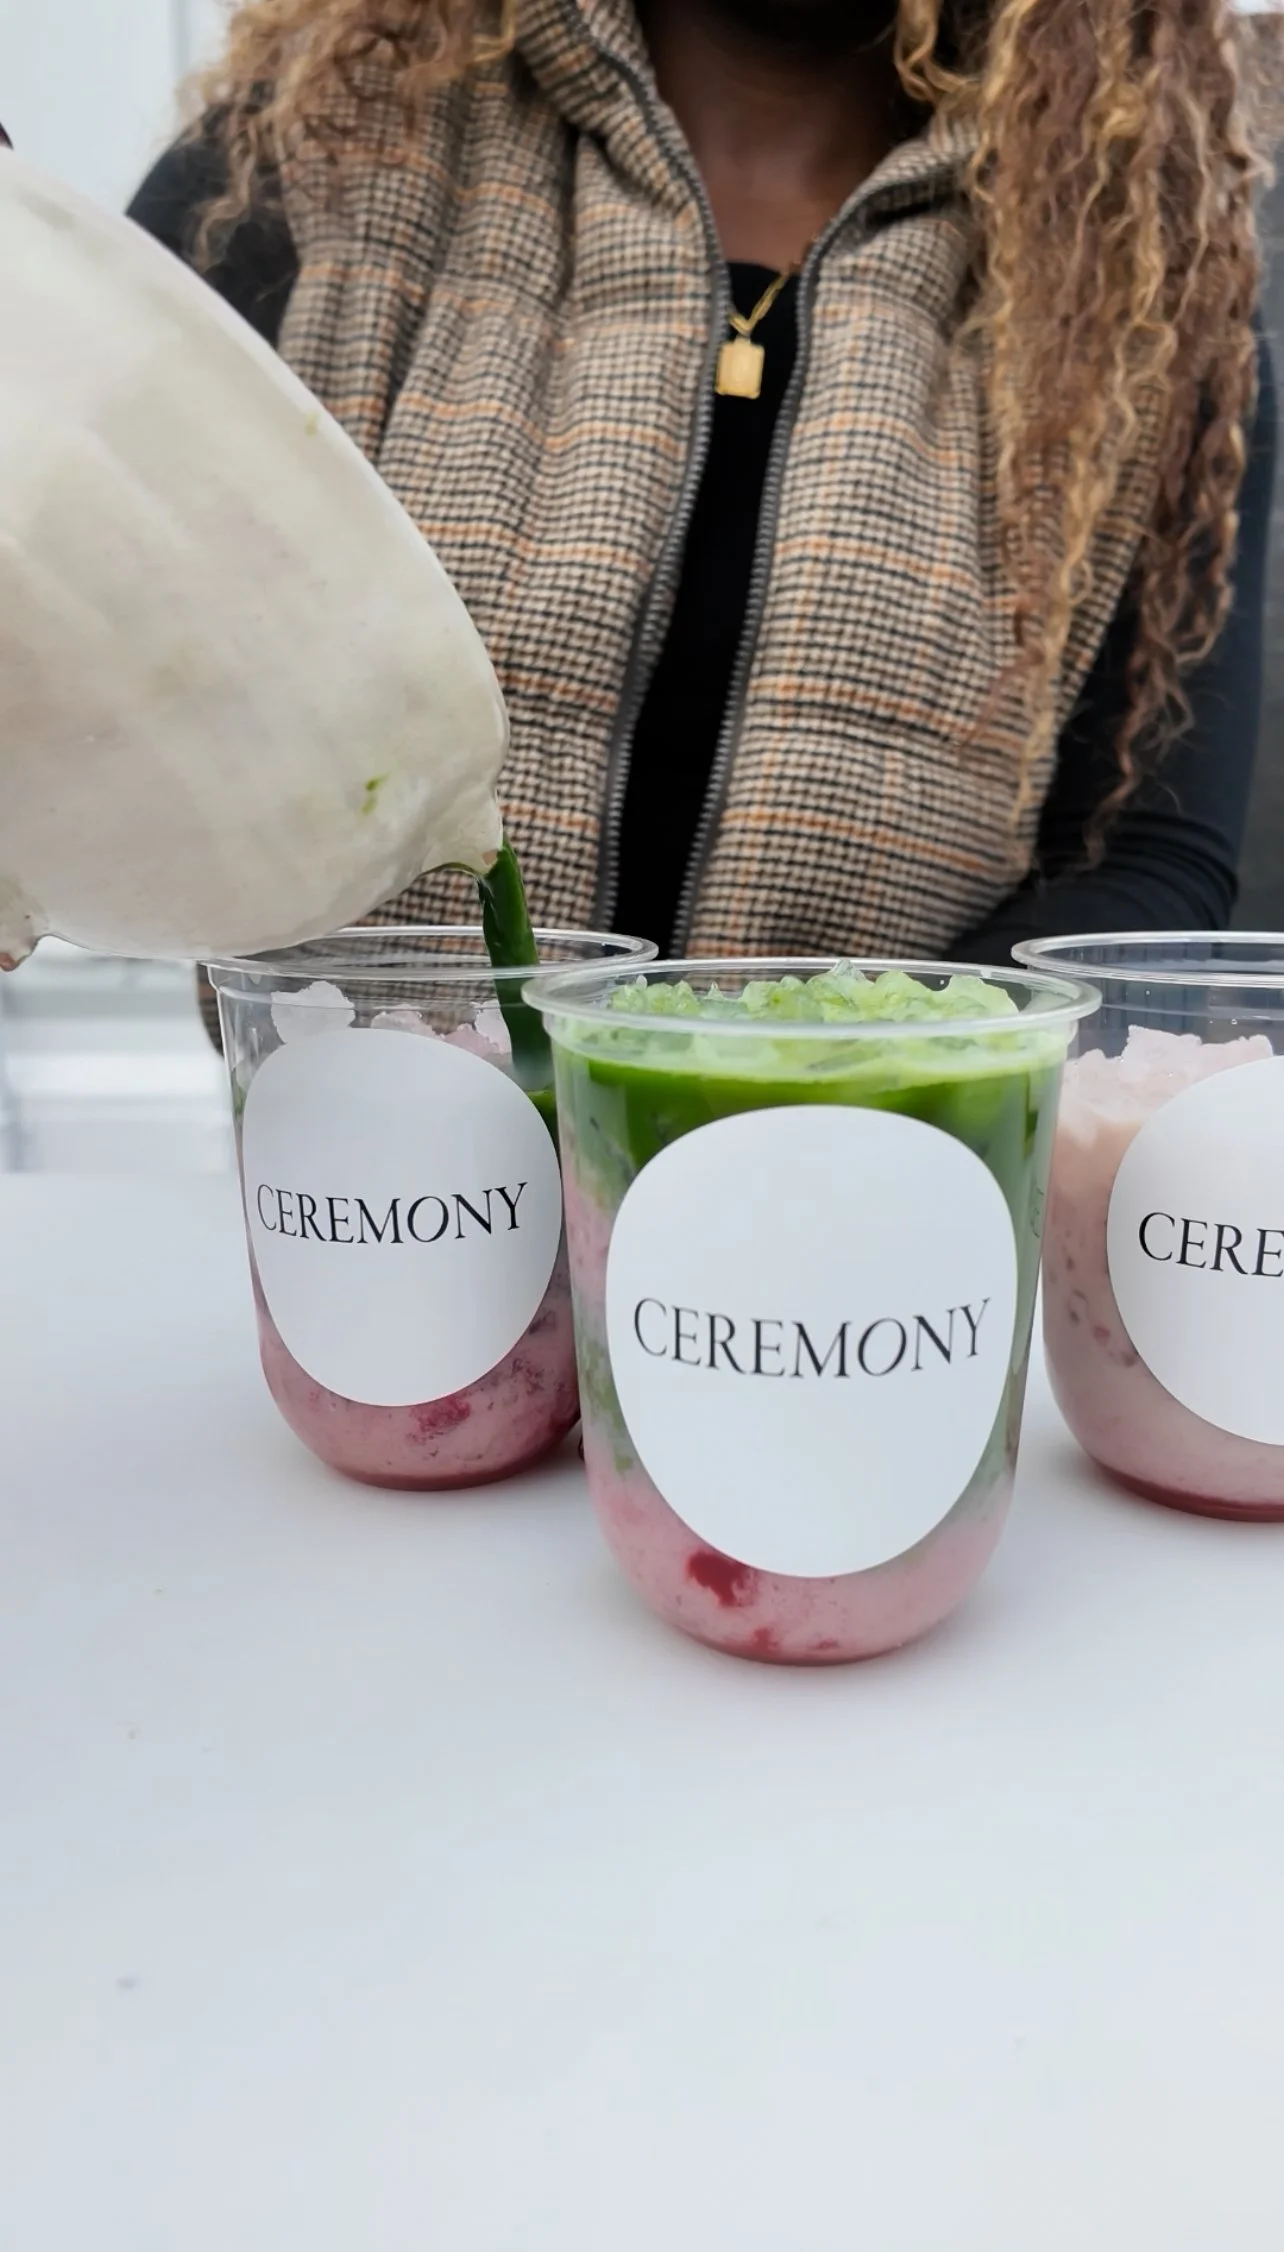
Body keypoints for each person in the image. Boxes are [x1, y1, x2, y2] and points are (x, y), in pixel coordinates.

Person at [132, 0, 1276, 971]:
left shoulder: (1132, 298)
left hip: (863, 1193)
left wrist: (830, 1090)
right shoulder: (306, 168)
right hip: (372, 1198)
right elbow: (83, 640)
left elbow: (1141, 857)